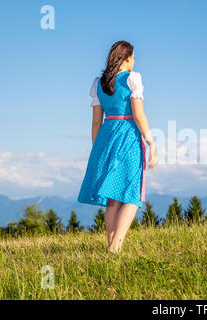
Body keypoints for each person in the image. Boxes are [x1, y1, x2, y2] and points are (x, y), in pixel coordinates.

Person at [78, 40, 157, 253]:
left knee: (113, 200)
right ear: (127, 58)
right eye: (134, 57)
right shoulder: (133, 79)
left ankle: (111, 247)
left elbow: (96, 121)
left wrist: (98, 149)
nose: (135, 61)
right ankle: (115, 248)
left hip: (106, 136)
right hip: (128, 136)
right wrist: (150, 141)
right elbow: (138, 115)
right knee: (132, 195)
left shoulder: (98, 84)